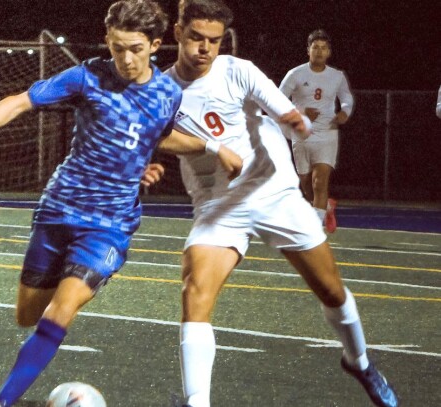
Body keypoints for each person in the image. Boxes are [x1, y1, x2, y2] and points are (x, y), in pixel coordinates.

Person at [0, 1, 239, 406]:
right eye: (117, 48)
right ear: (107, 41)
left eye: (135, 48)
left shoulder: (168, 94)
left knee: (61, 310)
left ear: (155, 44)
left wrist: (211, 146)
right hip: (59, 210)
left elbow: (155, 135)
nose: (126, 59)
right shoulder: (87, 77)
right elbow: (19, 101)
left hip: (110, 224)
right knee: (28, 315)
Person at [157, 1, 398, 406]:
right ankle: (196, 401)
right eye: (196, 38)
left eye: (213, 40)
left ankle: (358, 361)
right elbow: (154, 135)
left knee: (332, 291)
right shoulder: (161, 90)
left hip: (276, 193)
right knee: (195, 289)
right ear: (178, 33)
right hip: (219, 204)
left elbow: (280, 106)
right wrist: (210, 147)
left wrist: (293, 119)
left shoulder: (238, 70)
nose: (205, 48)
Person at [279, 29, 354, 233]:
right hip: (301, 133)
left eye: (323, 48)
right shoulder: (295, 74)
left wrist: (344, 112)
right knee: (306, 184)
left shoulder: (336, 76)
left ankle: (315, 232)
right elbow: (276, 99)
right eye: (315, 47)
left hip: (327, 133)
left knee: (319, 181)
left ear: (329, 52)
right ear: (308, 50)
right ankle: (326, 207)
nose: (319, 52)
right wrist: (300, 112)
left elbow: (347, 98)